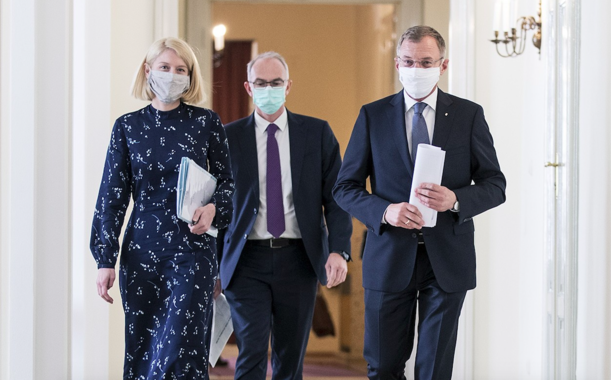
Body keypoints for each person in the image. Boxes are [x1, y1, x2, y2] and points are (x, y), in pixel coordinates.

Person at [333, 26, 506, 380]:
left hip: (447, 263)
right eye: (409, 61)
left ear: (443, 65)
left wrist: (456, 198)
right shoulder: (372, 115)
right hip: (388, 257)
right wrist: (385, 211)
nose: (416, 68)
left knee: (433, 370)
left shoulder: (468, 116)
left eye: (426, 62)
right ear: (397, 63)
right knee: (383, 367)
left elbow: (495, 184)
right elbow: (345, 187)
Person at [90, 37, 234, 379]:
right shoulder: (127, 127)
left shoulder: (207, 123)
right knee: (143, 350)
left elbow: (230, 186)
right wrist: (104, 259)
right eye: (165, 67)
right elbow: (111, 196)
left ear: (190, 76)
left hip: (193, 253)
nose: (172, 75)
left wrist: (214, 209)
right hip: (141, 255)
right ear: (148, 71)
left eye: (180, 69)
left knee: (181, 349)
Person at [217, 51, 352, 380]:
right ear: (249, 88)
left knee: (290, 356)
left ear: (288, 86)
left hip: (299, 259)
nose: (268, 89)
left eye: (275, 82)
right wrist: (214, 261)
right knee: (250, 350)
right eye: (261, 83)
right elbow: (218, 204)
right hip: (247, 260)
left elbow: (336, 197)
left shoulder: (317, 134)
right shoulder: (228, 137)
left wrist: (339, 250)